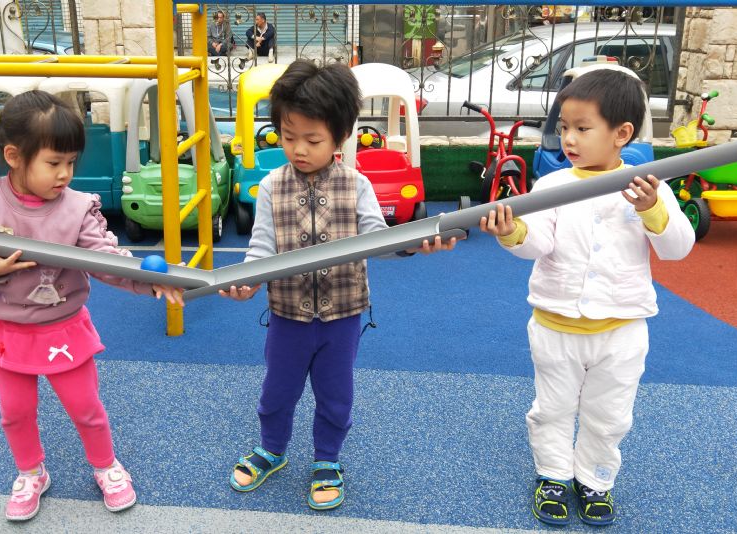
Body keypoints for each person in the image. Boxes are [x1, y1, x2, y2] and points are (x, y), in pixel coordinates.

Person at [220, 60, 456, 511]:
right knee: (277, 391)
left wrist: (413, 245)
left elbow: (378, 240)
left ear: (341, 136)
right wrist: (246, 282)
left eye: (312, 140)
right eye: (288, 137)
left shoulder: (356, 184)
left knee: (335, 395)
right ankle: (272, 449)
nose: (298, 149)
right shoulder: (270, 186)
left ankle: (327, 458)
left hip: (342, 316)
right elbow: (261, 247)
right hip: (288, 315)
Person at [0, 90, 185, 522]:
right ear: (14, 156)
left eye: (71, 162)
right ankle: (31, 472)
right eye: (54, 163)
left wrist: (149, 281)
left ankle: (106, 466)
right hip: (8, 330)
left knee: (85, 407)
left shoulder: (76, 208)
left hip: (62, 329)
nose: (65, 174)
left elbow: (106, 260)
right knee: (15, 413)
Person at [479, 68, 694, 526]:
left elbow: (677, 248)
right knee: (552, 409)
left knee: (609, 415)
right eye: (563, 127)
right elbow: (538, 243)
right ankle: (553, 475)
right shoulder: (553, 187)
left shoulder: (648, 187)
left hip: (621, 331)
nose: (569, 139)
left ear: (622, 134)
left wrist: (652, 210)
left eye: (582, 128)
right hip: (556, 327)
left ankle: (595, 479)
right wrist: (513, 231)